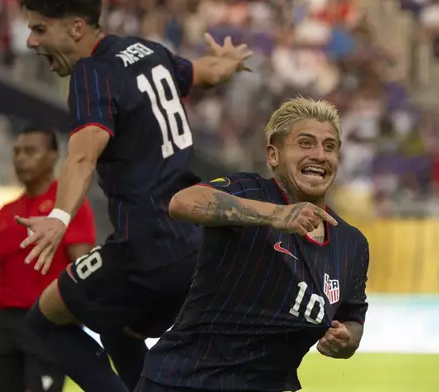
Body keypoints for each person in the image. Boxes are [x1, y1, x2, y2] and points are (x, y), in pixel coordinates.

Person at [14, 1, 253, 391]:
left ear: (76, 28)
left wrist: (59, 218)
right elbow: (204, 73)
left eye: (40, 29)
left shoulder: (92, 73)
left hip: (146, 247)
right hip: (195, 244)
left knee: (44, 320)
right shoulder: (147, 52)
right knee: (118, 330)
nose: (30, 41)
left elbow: (81, 157)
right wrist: (227, 62)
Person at [137, 97, 370, 392]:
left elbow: (352, 317)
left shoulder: (352, 244)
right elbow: (183, 202)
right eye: (306, 143)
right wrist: (277, 215)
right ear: (273, 155)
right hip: (183, 381)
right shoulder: (250, 190)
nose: (320, 155)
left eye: (330, 146)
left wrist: (347, 339)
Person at [0, 126, 96, 392]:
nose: (20, 158)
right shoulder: (6, 213)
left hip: (47, 322)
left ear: (52, 157)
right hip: (5, 328)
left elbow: (82, 268)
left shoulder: (68, 207)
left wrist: (77, 322)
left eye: (30, 151)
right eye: (16, 152)